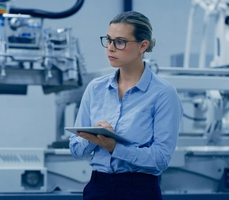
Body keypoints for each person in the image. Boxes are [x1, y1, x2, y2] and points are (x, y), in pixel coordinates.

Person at [69, 11, 184, 200]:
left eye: (120, 42)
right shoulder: (95, 88)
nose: (110, 48)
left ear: (143, 45)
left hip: (139, 190)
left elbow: (161, 159)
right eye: (108, 40)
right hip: (98, 188)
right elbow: (75, 149)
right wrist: (93, 137)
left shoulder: (163, 93)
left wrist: (114, 147)